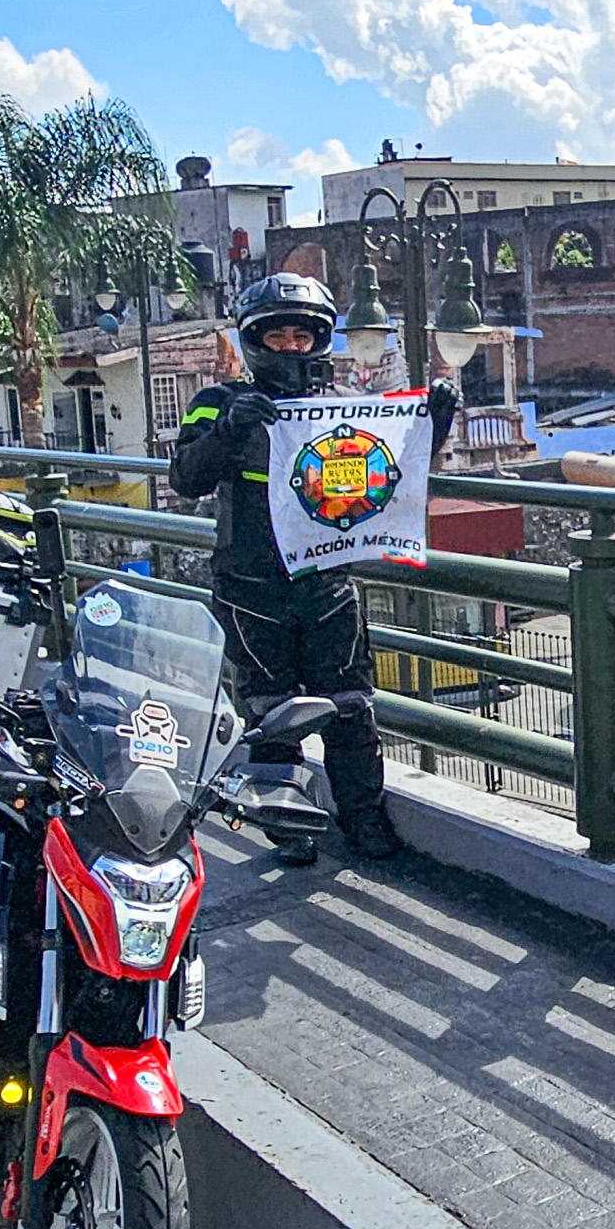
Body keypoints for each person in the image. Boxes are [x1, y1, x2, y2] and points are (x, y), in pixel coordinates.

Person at [169, 273, 459, 864]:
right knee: (272, 714)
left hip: (327, 581)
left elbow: (396, 476)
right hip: (250, 586)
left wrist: (437, 419)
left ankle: (364, 821)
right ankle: (290, 827)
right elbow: (185, 479)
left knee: (351, 705)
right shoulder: (219, 402)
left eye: (304, 336)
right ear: (255, 342)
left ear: (321, 341)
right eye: (279, 337)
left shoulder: (340, 410)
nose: (292, 348)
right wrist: (229, 431)